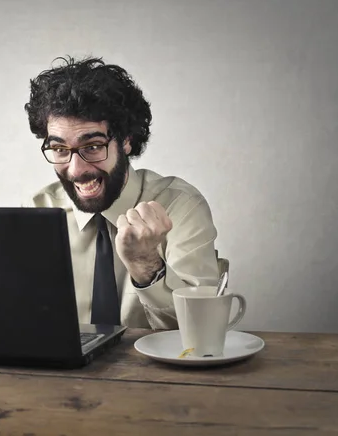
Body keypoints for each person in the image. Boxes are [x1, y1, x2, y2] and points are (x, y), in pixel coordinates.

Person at [23, 56, 220, 329]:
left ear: (126, 140)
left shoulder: (180, 206)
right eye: (59, 149)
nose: (76, 169)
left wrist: (145, 264)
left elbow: (203, 329)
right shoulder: (37, 211)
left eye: (92, 146)